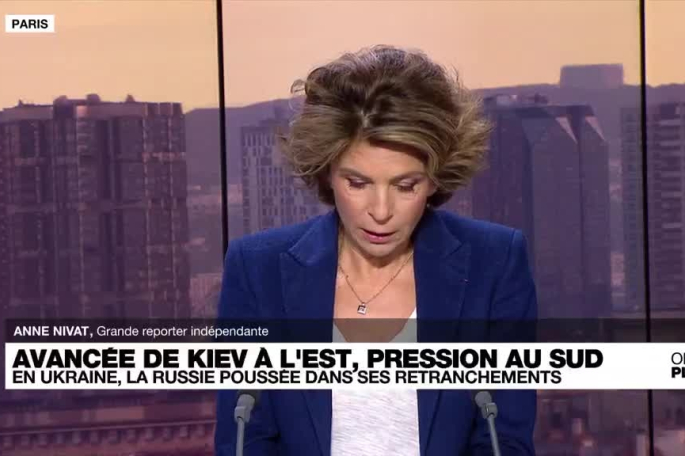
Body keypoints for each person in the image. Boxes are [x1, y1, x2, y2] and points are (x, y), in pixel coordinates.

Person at [215, 45, 537, 456]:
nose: (380, 212)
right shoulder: (257, 270)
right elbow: (245, 438)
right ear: (328, 172)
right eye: (358, 183)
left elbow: (503, 439)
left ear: (435, 178)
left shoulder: (495, 262)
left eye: (405, 186)